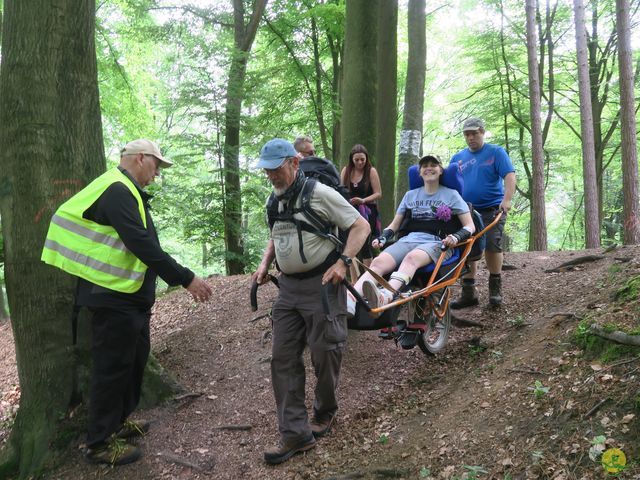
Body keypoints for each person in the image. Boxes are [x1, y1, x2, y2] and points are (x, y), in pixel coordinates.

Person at [41, 139, 213, 466]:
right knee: (112, 368)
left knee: (134, 361)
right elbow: (141, 245)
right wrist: (185, 278)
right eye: (156, 166)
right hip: (112, 299)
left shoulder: (126, 190)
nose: (157, 174)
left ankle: (117, 423)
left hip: (128, 298)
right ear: (139, 159)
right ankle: (98, 444)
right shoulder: (117, 190)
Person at [252, 139, 370, 465]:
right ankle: (295, 434)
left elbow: (360, 226)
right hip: (287, 291)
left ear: (293, 163)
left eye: (277, 169)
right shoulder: (274, 200)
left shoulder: (320, 193)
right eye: (267, 170)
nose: (272, 176)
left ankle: (326, 411)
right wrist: (265, 264)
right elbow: (276, 235)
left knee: (325, 353)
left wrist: (343, 262)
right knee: (282, 358)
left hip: (322, 286)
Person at [349, 155, 474, 315]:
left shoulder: (452, 195)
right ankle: (351, 299)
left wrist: (456, 237)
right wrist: (383, 237)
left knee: (411, 258)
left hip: (438, 242)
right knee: (379, 261)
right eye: (424, 166)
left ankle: (386, 296)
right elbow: (395, 225)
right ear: (419, 173)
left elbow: (470, 225)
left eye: (433, 165)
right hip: (409, 239)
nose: (429, 168)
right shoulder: (410, 195)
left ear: (441, 170)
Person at [449, 118, 516, 307]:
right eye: (467, 134)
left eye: (474, 133)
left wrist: (507, 200)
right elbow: (450, 184)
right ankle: (469, 293)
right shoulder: (458, 158)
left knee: (493, 245)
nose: (470, 138)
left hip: (492, 209)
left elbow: (509, 176)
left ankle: (495, 289)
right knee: (467, 247)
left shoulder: (496, 152)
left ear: (482, 133)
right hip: (465, 211)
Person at [340, 144, 382, 280]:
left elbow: (378, 194)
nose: (359, 163)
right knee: (348, 244)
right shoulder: (346, 171)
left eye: (362, 160)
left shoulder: (371, 171)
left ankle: (368, 279)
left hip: (367, 212)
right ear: (351, 159)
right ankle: (354, 280)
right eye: (356, 159)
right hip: (349, 212)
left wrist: (363, 200)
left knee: (364, 245)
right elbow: (340, 191)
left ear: (366, 159)